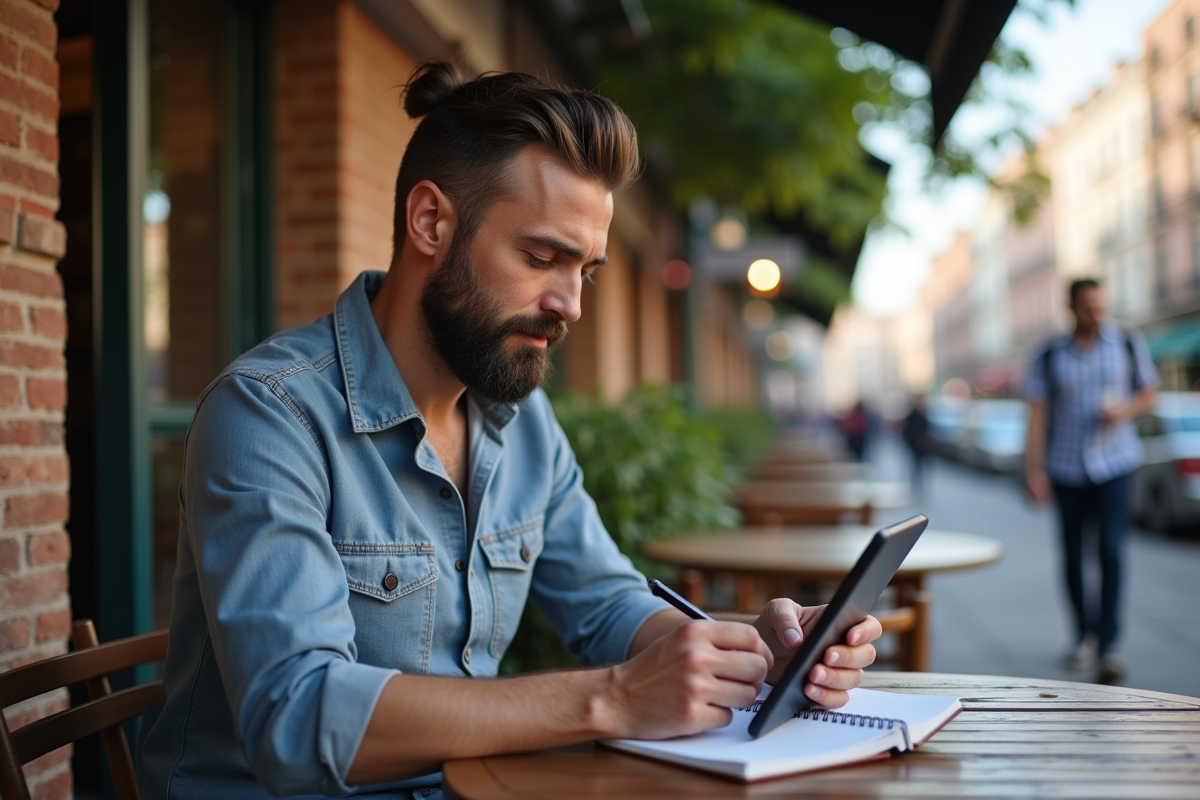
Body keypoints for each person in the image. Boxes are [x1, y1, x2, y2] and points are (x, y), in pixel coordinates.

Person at [138, 62, 882, 799]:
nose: (571, 305)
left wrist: (748, 654)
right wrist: (612, 697)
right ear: (430, 222)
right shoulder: (269, 413)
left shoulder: (520, 421)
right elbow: (295, 721)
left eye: (585, 270)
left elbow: (606, 603)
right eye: (540, 258)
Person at [1022, 278, 1158, 685]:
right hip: (1065, 469)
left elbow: (1150, 391)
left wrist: (1126, 411)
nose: (1096, 314)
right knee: (1073, 557)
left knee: (1112, 551)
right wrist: (1033, 470)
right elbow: (1037, 415)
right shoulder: (1049, 354)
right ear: (1071, 308)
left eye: (1101, 306)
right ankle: (1083, 636)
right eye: (1087, 307)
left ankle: (1110, 644)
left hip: (1116, 464)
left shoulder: (1128, 343)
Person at [901, 394, 933, 496]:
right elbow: (906, 432)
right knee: (915, 467)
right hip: (914, 446)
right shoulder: (912, 416)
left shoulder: (924, 413)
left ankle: (919, 487)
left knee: (921, 467)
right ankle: (915, 486)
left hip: (922, 446)